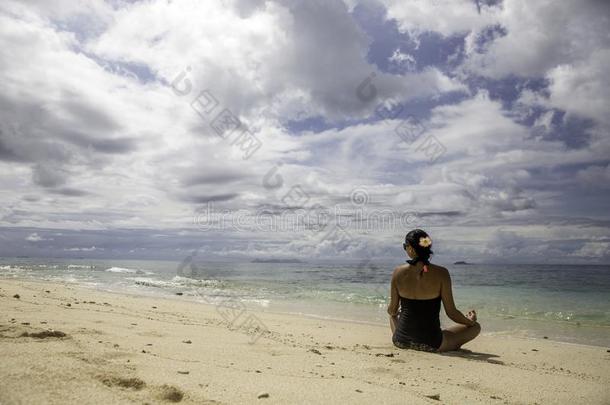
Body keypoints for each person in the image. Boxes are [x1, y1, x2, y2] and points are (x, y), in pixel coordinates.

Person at [387, 229, 480, 352]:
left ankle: (410, 336)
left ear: (411, 249)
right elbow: (451, 312)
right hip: (432, 344)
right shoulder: (442, 273)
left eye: (405, 246)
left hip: (401, 341)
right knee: (475, 327)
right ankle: (453, 343)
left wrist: (399, 312)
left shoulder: (397, 273)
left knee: (392, 316)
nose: (405, 249)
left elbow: (392, 310)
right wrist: (469, 321)